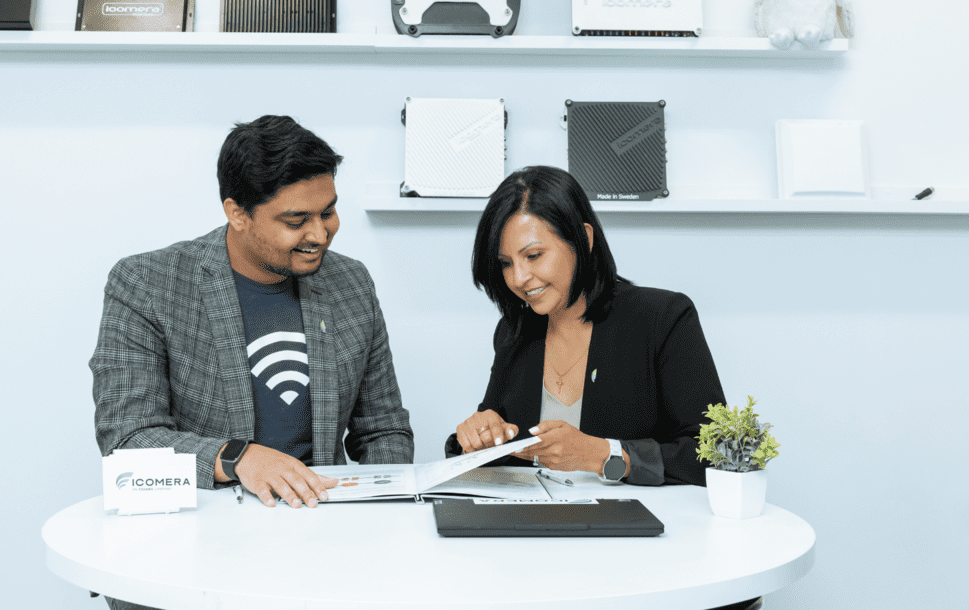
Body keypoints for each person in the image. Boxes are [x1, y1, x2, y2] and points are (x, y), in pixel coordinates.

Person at [90, 116, 414, 609]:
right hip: (193, 548)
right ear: (237, 213)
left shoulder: (351, 283)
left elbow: (383, 429)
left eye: (328, 212)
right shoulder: (148, 283)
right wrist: (239, 458)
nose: (321, 234)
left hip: (322, 545)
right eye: (295, 220)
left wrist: (378, 519)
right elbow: (129, 438)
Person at [449, 165, 728, 487]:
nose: (518, 279)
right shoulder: (514, 332)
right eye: (505, 263)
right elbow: (505, 452)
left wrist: (605, 455)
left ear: (583, 238)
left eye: (534, 255)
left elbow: (715, 454)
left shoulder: (664, 318)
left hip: (639, 530)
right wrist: (477, 436)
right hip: (530, 528)